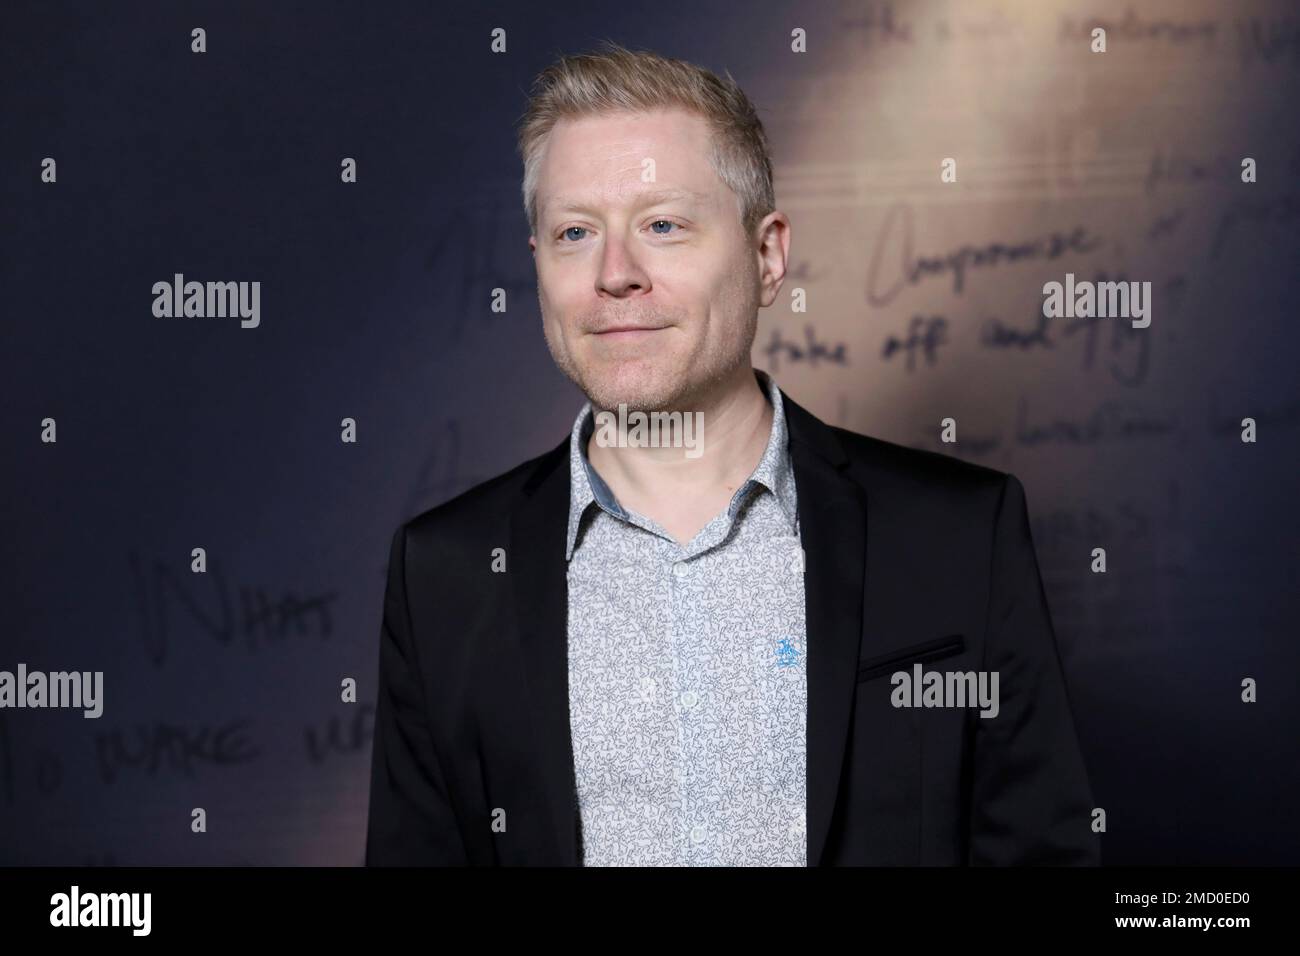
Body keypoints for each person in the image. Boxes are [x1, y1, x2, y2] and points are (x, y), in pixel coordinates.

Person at [365, 41, 1098, 866]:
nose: (615, 273)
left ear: (767, 256)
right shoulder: (447, 573)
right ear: (540, 266)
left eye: (663, 225)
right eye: (575, 232)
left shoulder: (960, 535)